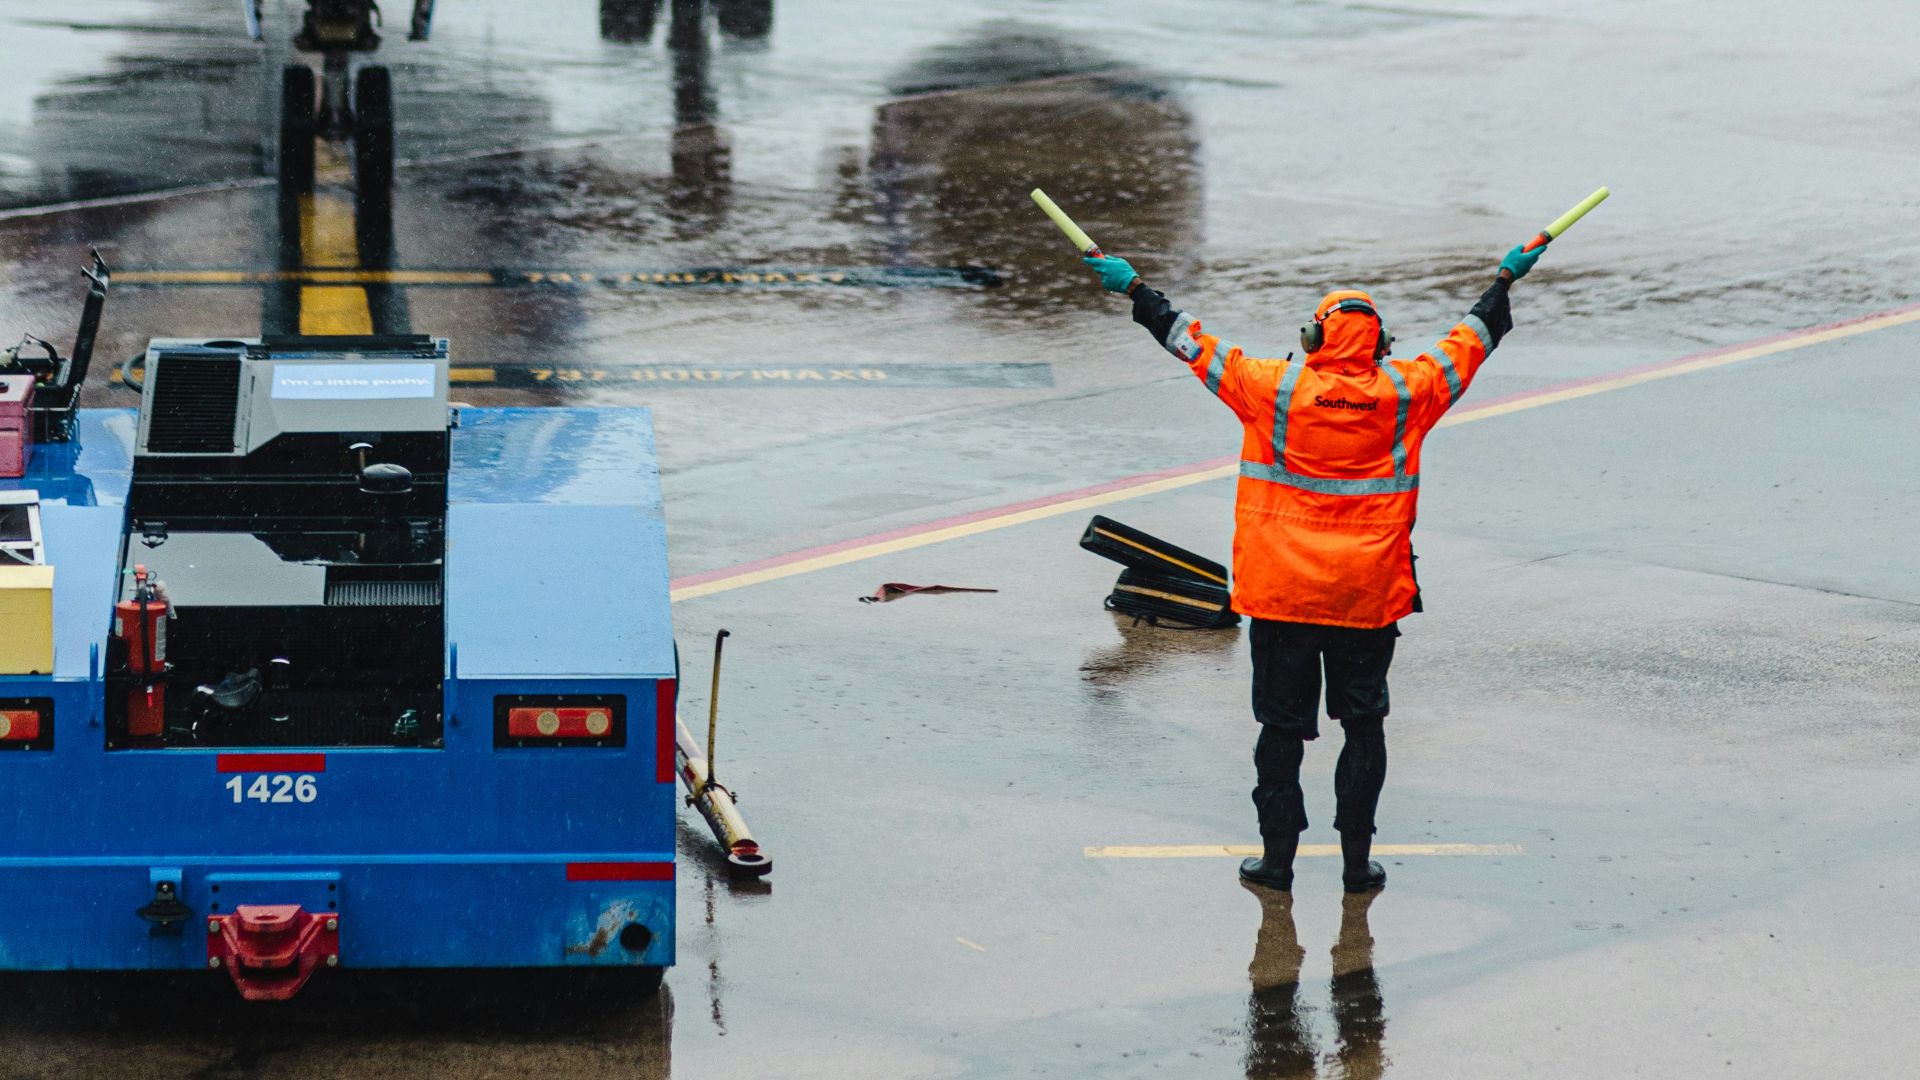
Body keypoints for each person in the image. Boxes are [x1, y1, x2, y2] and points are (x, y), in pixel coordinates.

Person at [1085, 242, 1545, 892]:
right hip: (1368, 597)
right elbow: (1471, 340)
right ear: (1381, 343)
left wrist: (1133, 287)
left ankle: (1277, 863)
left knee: (1280, 733)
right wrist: (1504, 279)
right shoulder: (1407, 393)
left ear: (1313, 336)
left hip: (1282, 598)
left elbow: (1187, 340)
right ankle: (1357, 865)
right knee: (1364, 728)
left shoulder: (1272, 387)